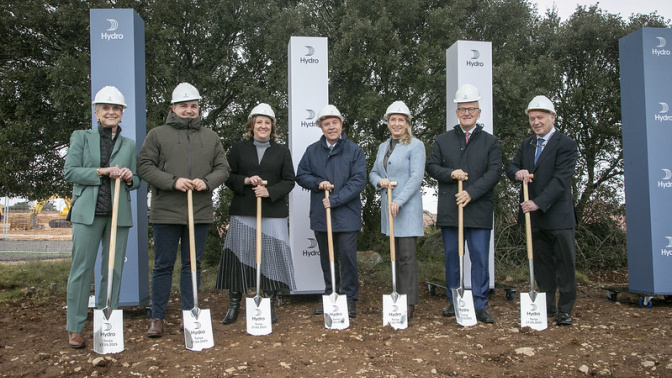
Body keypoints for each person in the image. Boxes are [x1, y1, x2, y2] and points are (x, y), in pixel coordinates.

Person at [138, 82, 230, 337]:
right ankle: (157, 317)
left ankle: (189, 313)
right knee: (163, 265)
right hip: (166, 210)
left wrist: (207, 181)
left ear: (198, 108)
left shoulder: (210, 137)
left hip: (198, 211)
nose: (189, 110)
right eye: (184, 106)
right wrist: (173, 181)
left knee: (192, 265)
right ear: (173, 108)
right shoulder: (157, 134)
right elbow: (144, 166)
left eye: (193, 106)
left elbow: (223, 168)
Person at [63, 86, 140, 348]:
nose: (111, 112)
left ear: (122, 114)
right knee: (81, 270)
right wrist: (100, 171)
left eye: (116, 109)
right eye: (106, 108)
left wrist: (130, 177)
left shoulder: (129, 144)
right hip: (88, 213)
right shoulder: (81, 137)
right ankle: (75, 327)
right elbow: (70, 172)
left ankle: (107, 322)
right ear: (97, 112)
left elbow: (138, 179)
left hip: (118, 214)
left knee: (113, 270)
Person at [426, 84, 502, 324]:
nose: (466, 113)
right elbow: (432, 167)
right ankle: (454, 299)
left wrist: (471, 193)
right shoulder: (443, 140)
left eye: (471, 109)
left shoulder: (490, 142)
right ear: (456, 112)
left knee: (479, 256)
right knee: (452, 256)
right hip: (451, 210)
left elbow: (494, 172)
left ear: (478, 112)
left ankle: (480, 304)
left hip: (478, 208)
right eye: (462, 109)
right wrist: (451, 174)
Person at [215, 103, 296, 325]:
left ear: (272, 127)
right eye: (259, 122)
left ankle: (269, 306)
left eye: (267, 122)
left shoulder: (282, 151)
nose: (263, 126)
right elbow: (227, 176)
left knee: (271, 259)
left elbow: (290, 180)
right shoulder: (239, 149)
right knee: (238, 257)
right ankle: (234, 306)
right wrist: (246, 180)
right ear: (252, 125)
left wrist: (269, 191)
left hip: (273, 212)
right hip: (244, 211)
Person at [506, 95, 578, 326]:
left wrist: (538, 202)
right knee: (543, 265)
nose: (536, 122)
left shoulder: (566, 144)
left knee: (564, 265)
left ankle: (565, 309)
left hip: (558, 216)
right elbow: (512, 167)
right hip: (533, 219)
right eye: (532, 118)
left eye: (540, 118)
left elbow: (561, 180)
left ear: (552, 117)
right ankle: (547, 306)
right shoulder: (526, 144)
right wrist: (517, 173)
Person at [296, 104, 366, 318]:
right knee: (327, 258)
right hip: (321, 214)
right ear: (321, 127)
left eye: (334, 122)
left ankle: (350, 299)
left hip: (347, 215)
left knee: (346, 256)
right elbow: (301, 175)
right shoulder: (312, 151)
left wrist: (334, 199)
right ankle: (331, 296)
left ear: (341, 124)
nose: (331, 127)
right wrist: (319, 183)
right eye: (326, 123)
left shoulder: (354, 150)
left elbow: (358, 181)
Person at [369, 101, 425, 320]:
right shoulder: (384, 146)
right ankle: (397, 297)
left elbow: (416, 177)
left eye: (401, 119)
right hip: (389, 208)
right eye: (392, 119)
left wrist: (399, 201)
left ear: (407, 123)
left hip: (406, 209)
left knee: (407, 257)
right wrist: (379, 181)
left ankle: (409, 302)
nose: (396, 123)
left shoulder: (415, 145)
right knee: (395, 255)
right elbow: (373, 172)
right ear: (387, 122)